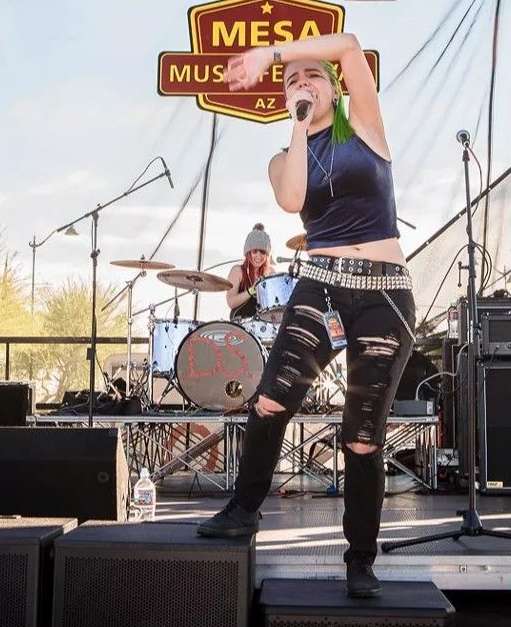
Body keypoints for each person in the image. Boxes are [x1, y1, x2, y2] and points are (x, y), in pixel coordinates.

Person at [196, 34, 415, 600]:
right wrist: (298, 124)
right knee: (271, 399)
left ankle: (360, 559)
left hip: (385, 294)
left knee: (361, 436)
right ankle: (244, 509)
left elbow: (349, 45)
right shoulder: (283, 157)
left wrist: (273, 56)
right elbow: (293, 200)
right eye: (293, 82)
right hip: (321, 285)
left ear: (335, 89)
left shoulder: (364, 125)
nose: (303, 83)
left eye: (313, 76)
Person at [225, 224, 274, 322]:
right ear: (248, 253)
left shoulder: (271, 273)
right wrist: (251, 291)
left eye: (262, 252)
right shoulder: (237, 271)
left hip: (263, 324)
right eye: (255, 251)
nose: (258, 256)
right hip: (240, 323)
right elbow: (230, 302)